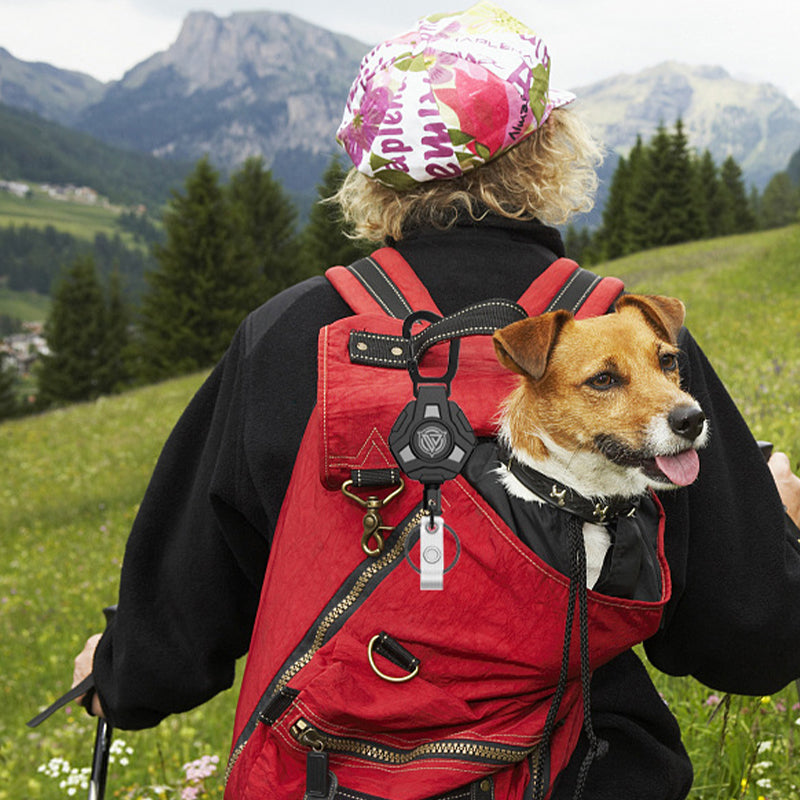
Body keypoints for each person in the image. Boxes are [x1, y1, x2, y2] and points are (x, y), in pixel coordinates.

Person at [72, 2, 800, 798]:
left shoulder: (285, 338)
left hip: (326, 776)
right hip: (581, 772)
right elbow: (752, 642)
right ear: (549, 148)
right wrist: (780, 519)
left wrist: (119, 674)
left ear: (374, 172)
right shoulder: (630, 338)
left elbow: (184, 601)